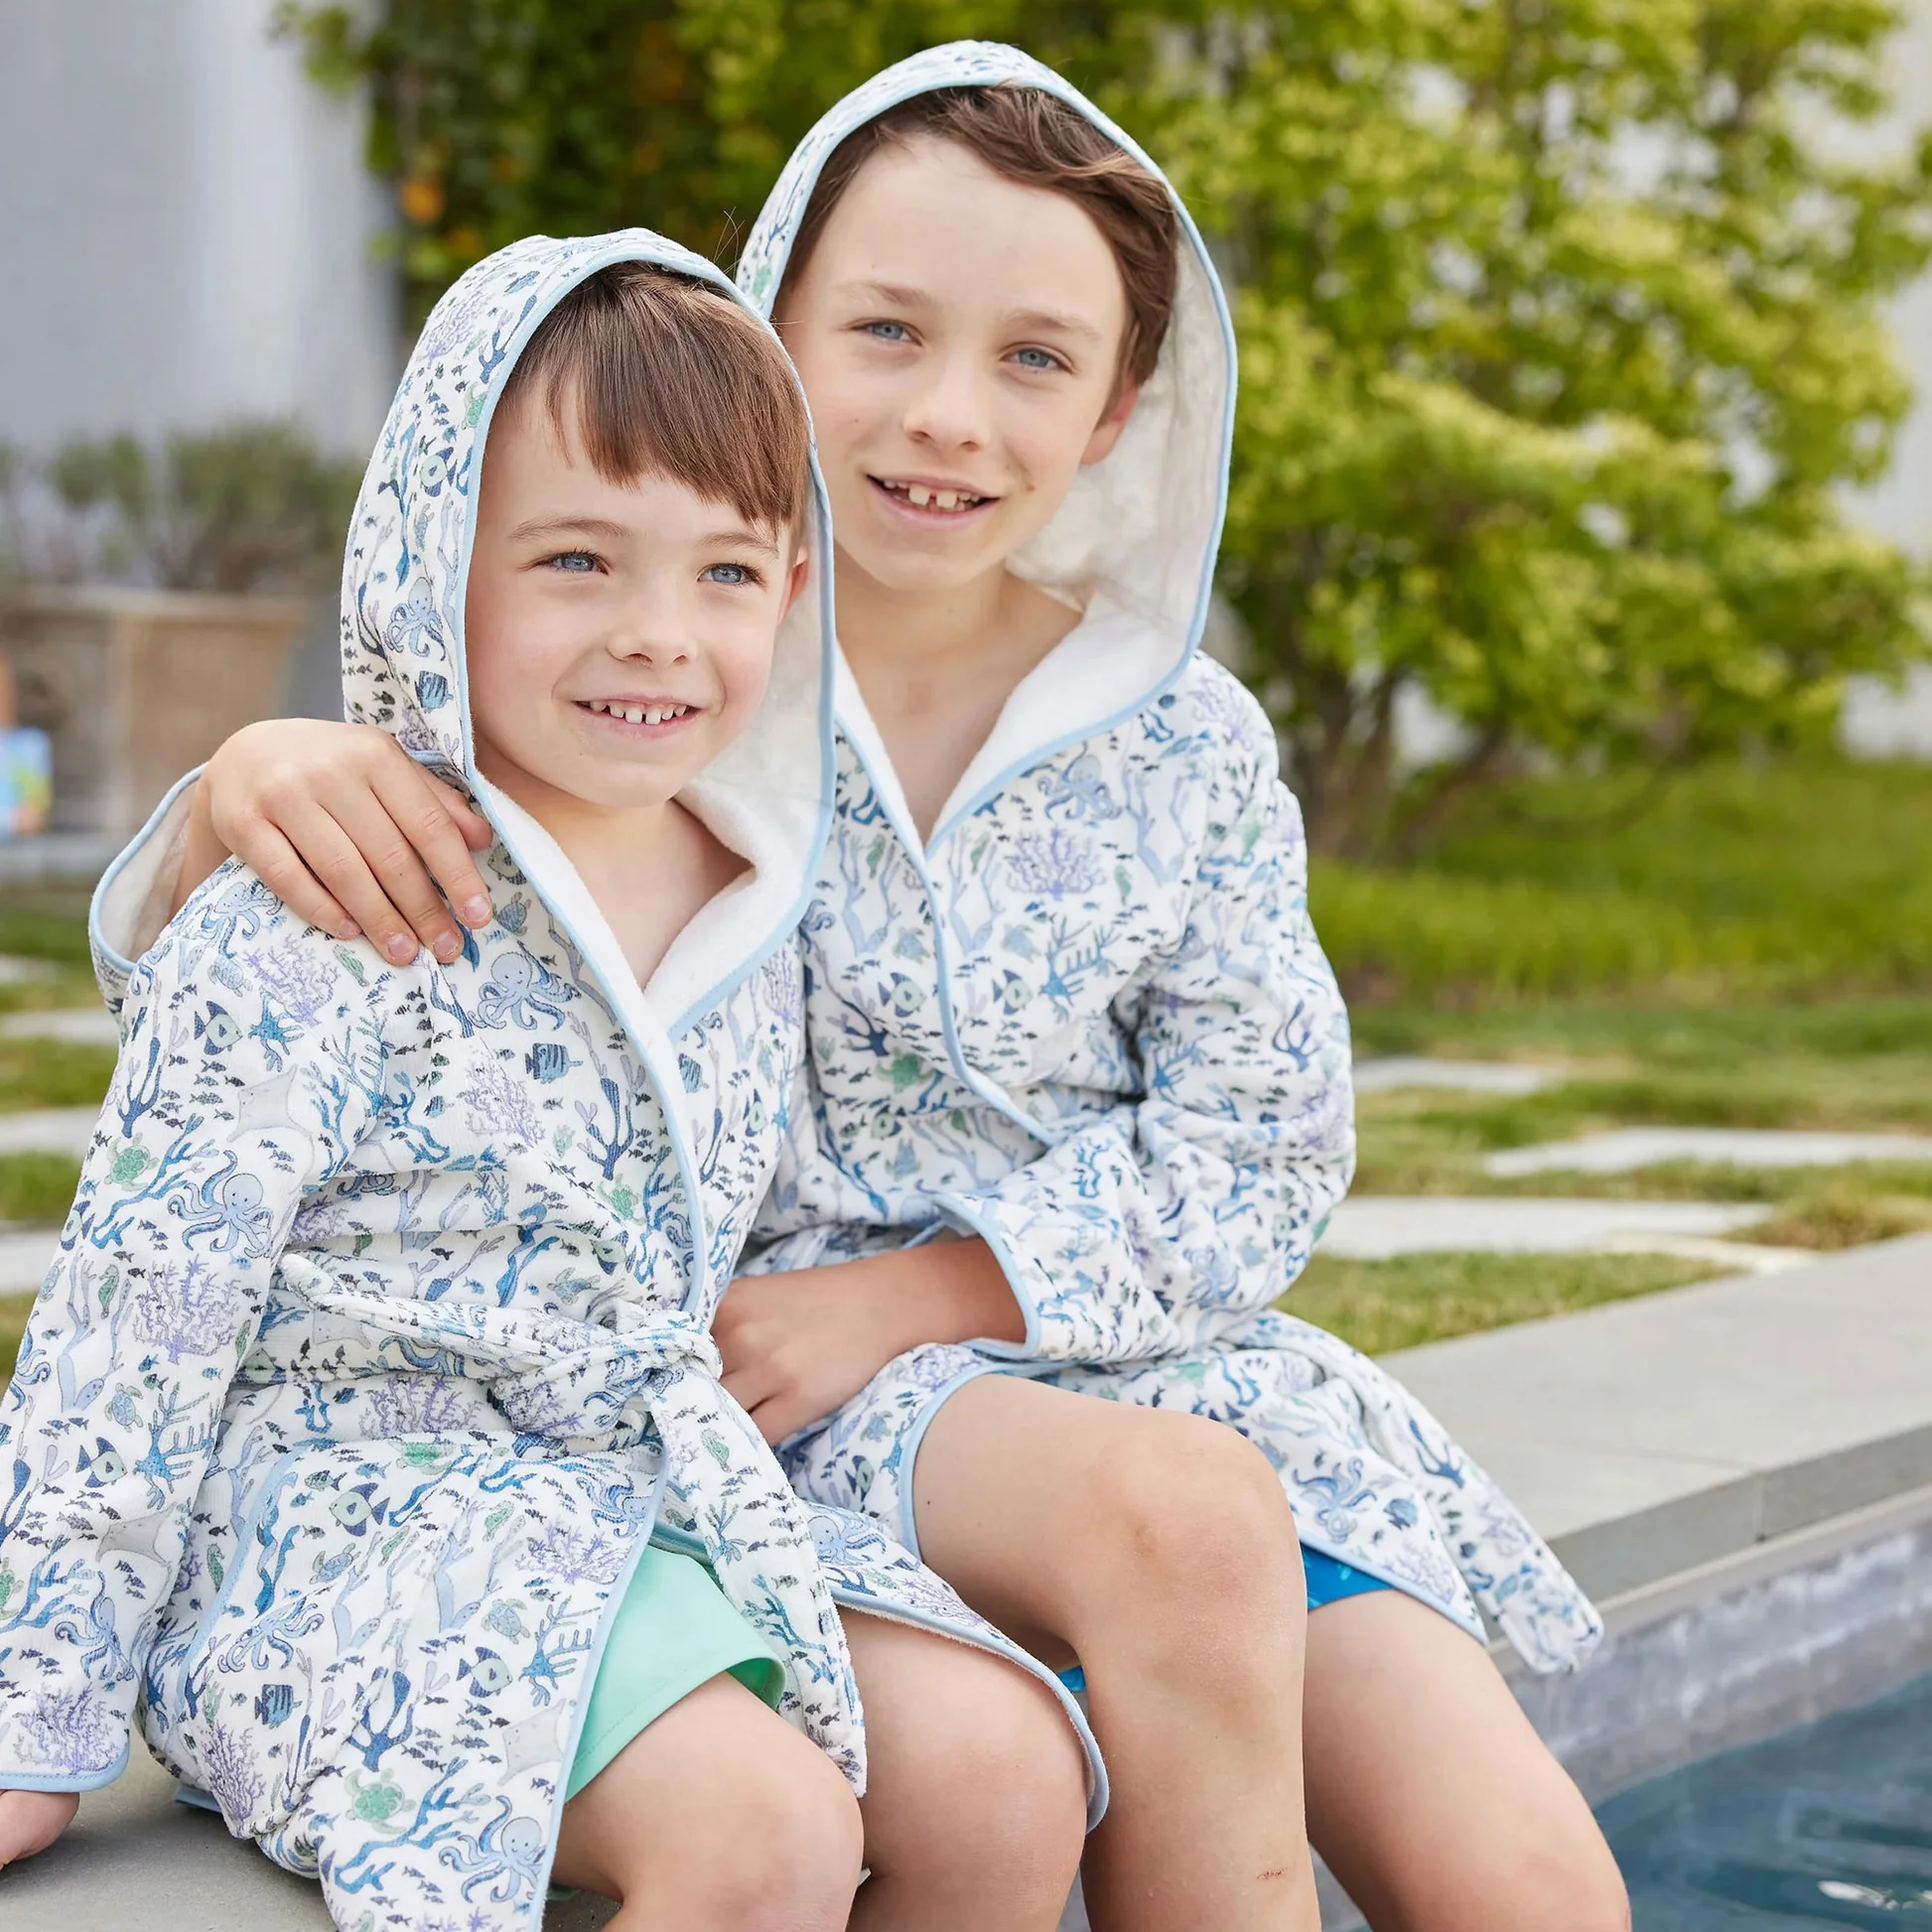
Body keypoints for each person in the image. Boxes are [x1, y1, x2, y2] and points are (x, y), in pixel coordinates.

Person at [86, 45, 1631, 1932]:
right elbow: (404, 933)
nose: (947, 416)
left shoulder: (1183, 742)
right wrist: (229, 791)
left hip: (1139, 1369)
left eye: (1036, 358)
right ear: (768, 329)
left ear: (1119, 403)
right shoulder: (661, 692)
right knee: (1168, 1531)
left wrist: (941, 1287)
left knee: (1534, 1882)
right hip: (783, 1376)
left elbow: (1268, 1134)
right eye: (883, 331)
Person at [0, 230, 1095, 1931]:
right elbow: (130, 1325)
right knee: (761, 1835)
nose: (658, 636)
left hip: (641, 1490)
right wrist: (34, 1705)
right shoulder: (321, 904)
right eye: (578, 559)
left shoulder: (761, 900)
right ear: (439, 566)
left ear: (795, 586)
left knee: (1009, 1772)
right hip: (347, 1528)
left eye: (726, 571)